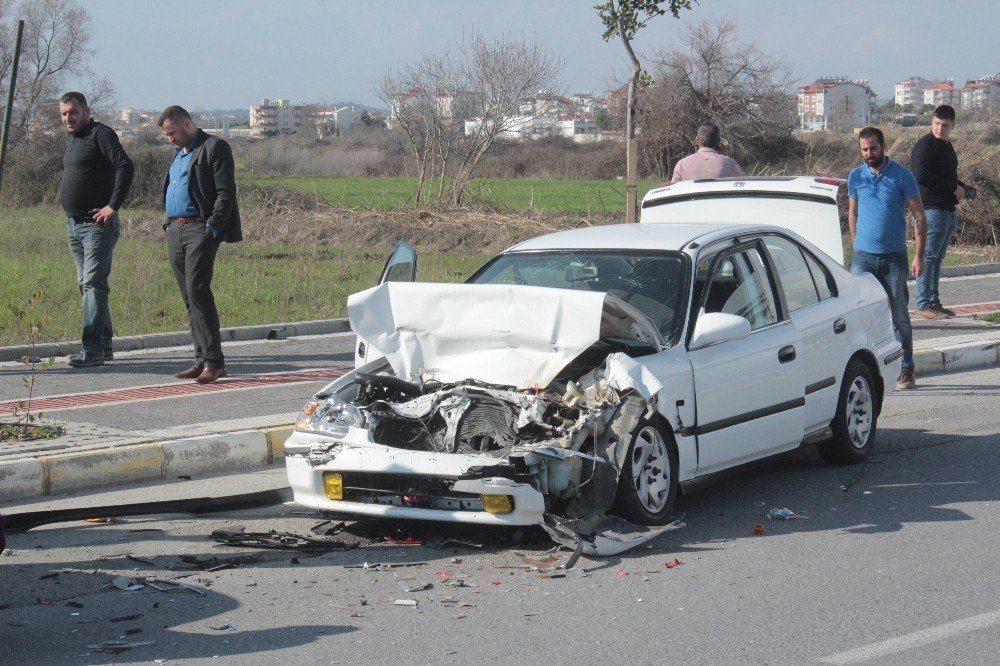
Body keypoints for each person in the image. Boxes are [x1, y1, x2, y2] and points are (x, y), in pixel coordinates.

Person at [158, 105, 243, 384]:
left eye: (172, 132)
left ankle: (215, 362)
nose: (169, 138)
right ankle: (200, 358)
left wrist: (212, 228)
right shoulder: (179, 153)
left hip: (200, 228)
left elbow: (225, 192)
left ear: (187, 123)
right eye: (166, 135)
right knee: (188, 296)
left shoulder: (214, 147)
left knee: (198, 290)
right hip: (175, 229)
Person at [58, 92, 134, 368]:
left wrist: (112, 206)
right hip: (74, 225)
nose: (68, 118)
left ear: (86, 111)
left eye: (73, 112)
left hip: (97, 226)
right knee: (88, 284)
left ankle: (92, 350)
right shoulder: (73, 138)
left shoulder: (101, 134)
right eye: (64, 113)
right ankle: (104, 344)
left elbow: (125, 165)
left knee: (92, 283)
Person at [848, 126, 926, 390]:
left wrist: (919, 256)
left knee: (900, 314)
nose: (869, 153)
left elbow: (919, 216)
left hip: (894, 258)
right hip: (863, 258)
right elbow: (852, 213)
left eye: (873, 148)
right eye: (864, 149)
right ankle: (868, 368)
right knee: (859, 314)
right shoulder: (855, 177)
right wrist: (856, 242)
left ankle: (906, 368)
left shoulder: (902, 175)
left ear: (883, 146)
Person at [911, 104, 970, 320]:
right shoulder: (925, 146)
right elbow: (921, 176)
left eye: (945, 125)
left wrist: (961, 188)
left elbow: (947, 176)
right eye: (936, 124)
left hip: (947, 209)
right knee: (928, 256)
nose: (939, 129)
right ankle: (923, 303)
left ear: (952, 126)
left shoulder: (947, 147)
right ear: (931, 123)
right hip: (930, 209)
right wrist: (952, 188)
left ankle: (934, 302)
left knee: (936, 259)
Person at [670, 122, 746, 183]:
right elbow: (744, 184)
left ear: (697, 140)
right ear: (719, 142)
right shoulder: (729, 163)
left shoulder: (681, 165)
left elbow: (673, 190)